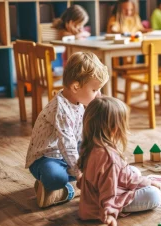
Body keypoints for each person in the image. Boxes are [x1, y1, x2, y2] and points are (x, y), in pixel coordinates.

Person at [77, 97, 161, 226]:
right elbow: (108, 192)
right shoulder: (109, 158)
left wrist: (150, 181)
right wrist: (110, 215)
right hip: (100, 205)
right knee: (154, 195)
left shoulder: (91, 145)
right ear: (114, 129)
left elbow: (125, 176)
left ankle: (145, 184)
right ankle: (115, 208)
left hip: (93, 196)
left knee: (133, 170)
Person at [26, 52, 108, 208]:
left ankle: (56, 191)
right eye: (95, 90)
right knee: (55, 177)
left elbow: (83, 137)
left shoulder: (78, 101)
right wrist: (80, 173)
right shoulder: (61, 109)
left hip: (67, 154)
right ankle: (71, 189)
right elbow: (67, 144)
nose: (99, 95)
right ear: (76, 87)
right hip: (46, 158)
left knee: (99, 155)